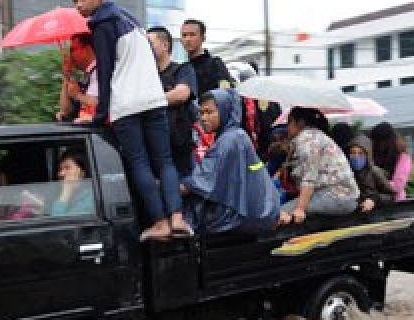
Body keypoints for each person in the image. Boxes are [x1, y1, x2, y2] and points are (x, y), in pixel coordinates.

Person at [69, 0, 190, 241]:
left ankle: (159, 223)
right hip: (154, 99)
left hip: (127, 104)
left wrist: (99, 117)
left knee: (139, 163)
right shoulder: (130, 19)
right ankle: (177, 218)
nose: (79, 5)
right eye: (75, 0)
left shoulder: (101, 25)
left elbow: (106, 71)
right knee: (165, 162)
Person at [180, 89, 280, 235]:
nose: (203, 118)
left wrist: (167, 188)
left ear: (224, 110)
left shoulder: (228, 141)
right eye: (201, 113)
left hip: (237, 217)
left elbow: (201, 182)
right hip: (260, 212)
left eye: (209, 112)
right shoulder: (237, 135)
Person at [278, 108, 360, 225]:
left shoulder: (308, 139)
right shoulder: (314, 135)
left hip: (336, 196)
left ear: (300, 122)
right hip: (341, 196)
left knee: (281, 212)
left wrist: (300, 209)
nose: (287, 127)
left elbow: (309, 178)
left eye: (289, 122)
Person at [146, 26, 199, 178]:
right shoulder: (147, 75)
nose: (146, 48)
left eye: (150, 43)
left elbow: (182, 94)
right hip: (153, 145)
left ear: (165, 45)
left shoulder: (182, 69)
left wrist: (148, 101)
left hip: (179, 147)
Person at [179, 19, 234, 95]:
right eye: (184, 35)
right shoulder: (182, 69)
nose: (188, 39)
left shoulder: (214, 64)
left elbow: (227, 93)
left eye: (192, 35)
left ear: (203, 38)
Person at [55, 34, 98, 123]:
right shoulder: (86, 75)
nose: (71, 55)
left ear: (87, 49)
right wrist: (66, 76)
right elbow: (65, 110)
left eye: (73, 50)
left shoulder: (98, 72)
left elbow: (96, 102)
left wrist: (77, 95)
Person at [347, 135, 395, 213]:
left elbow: (391, 195)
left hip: (376, 215)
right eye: (353, 153)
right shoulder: (347, 173)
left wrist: (373, 200)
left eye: (360, 153)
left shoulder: (375, 172)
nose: (356, 156)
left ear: (367, 155)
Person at [369, 122, 412, 201]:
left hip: (395, 201)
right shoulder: (372, 154)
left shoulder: (403, 157)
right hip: (373, 200)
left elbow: (397, 186)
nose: (374, 143)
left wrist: (378, 182)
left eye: (376, 140)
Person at [50, 151, 96, 217]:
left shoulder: (91, 197)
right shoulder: (71, 193)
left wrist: (66, 192)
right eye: (60, 169)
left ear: (82, 172)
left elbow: (58, 222)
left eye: (67, 168)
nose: (61, 174)